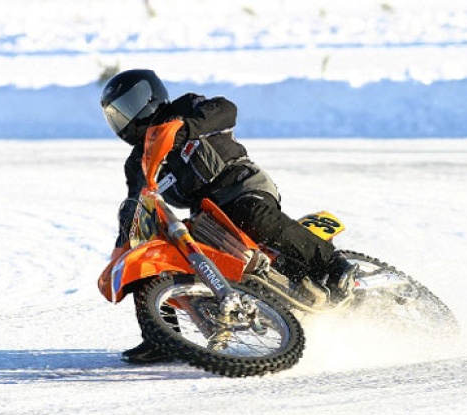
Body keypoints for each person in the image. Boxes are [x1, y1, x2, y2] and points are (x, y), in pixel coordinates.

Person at [100, 69, 357, 364]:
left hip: (242, 186)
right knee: (162, 253)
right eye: (117, 115)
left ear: (150, 97)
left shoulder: (183, 108)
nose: (126, 118)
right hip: (209, 215)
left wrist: (184, 129)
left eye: (129, 106)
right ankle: (162, 336)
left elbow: (225, 110)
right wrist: (124, 243)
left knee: (249, 213)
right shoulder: (137, 162)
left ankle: (335, 265)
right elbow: (137, 200)